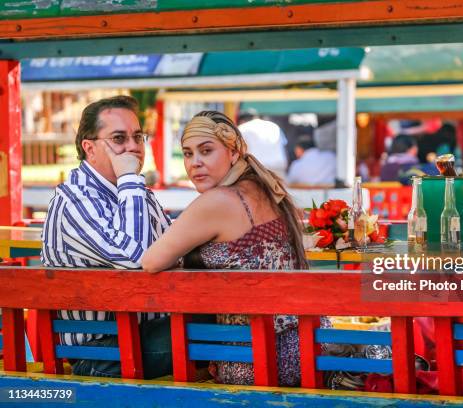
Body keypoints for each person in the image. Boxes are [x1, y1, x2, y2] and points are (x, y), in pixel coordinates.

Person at [142, 111, 329, 386]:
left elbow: (151, 262)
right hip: (309, 347)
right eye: (188, 153)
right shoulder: (265, 188)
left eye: (206, 151)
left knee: (114, 353)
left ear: (234, 152)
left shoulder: (217, 201)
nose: (195, 163)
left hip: (256, 359)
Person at [41, 95, 172, 379]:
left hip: (144, 332)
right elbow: (135, 258)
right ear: (89, 148)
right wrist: (129, 179)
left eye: (138, 136)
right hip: (100, 353)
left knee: (231, 319)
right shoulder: (73, 199)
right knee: (224, 329)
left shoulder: (134, 193)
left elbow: (177, 251)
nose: (134, 147)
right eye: (118, 138)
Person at [237, 111, 288, 178]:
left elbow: (241, 151)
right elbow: (284, 147)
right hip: (279, 165)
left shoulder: (242, 128)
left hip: (258, 168)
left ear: (242, 121)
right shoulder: (273, 125)